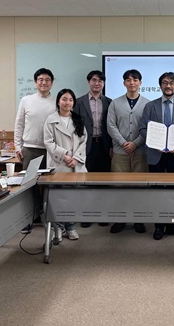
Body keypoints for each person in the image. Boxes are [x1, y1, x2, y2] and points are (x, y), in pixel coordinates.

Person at [140, 72, 174, 240]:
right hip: (157, 154)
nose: (168, 86)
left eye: (171, 83)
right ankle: (159, 226)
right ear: (160, 85)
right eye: (165, 83)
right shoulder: (150, 106)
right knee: (157, 191)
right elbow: (142, 129)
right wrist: (156, 143)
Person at [106, 69, 149, 234]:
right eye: (128, 80)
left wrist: (136, 143)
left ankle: (139, 219)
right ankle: (120, 219)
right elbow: (111, 126)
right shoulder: (115, 103)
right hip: (120, 152)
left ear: (140, 82)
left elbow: (149, 127)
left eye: (135, 80)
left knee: (140, 188)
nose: (132, 83)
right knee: (119, 187)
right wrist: (124, 143)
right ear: (124, 83)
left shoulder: (147, 104)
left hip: (141, 153)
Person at [44, 89, 87, 242]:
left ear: (73, 103)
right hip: (59, 164)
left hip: (75, 165)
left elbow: (83, 141)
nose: (67, 102)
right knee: (58, 197)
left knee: (72, 197)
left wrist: (75, 158)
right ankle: (58, 228)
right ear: (58, 101)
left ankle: (71, 227)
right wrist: (65, 156)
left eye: (70, 100)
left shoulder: (78, 119)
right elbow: (48, 142)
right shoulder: (50, 120)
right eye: (64, 99)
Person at [73, 70, 112, 228]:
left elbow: (110, 126)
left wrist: (111, 147)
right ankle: (86, 214)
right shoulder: (78, 102)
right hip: (85, 146)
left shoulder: (109, 102)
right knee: (85, 181)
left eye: (100, 81)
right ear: (88, 82)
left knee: (103, 181)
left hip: (103, 145)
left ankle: (102, 214)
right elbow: (74, 127)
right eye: (94, 80)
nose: (97, 83)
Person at [14, 68, 54, 170]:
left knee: (49, 183)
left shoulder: (57, 102)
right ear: (35, 82)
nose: (44, 82)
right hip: (29, 149)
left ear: (52, 83)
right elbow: (19, 124)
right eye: (40, 79)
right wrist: (17, 147)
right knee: (29, 183)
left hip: (51, 150)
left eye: (47, 80)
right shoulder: (26, 100)